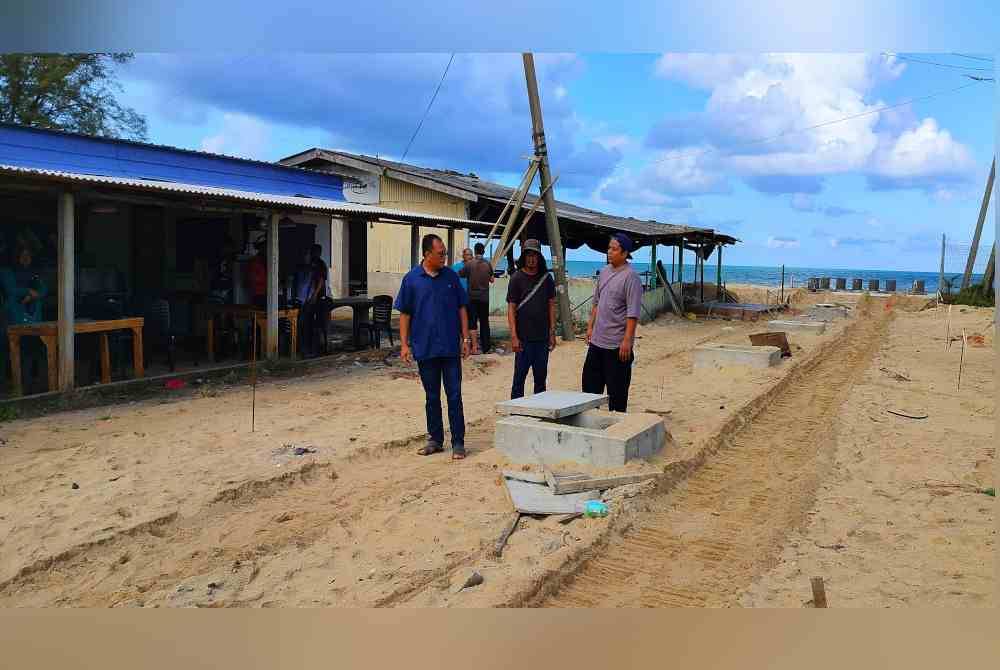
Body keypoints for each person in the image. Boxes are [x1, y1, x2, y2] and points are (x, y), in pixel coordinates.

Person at [395, 233, 471, 460]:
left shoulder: (451, 276)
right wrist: (404, 345)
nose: (445, 258)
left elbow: (462, 308)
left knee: (455, 396)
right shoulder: (411, 279)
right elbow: (405, 314)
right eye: (441, 254)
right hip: (425, 348)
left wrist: (465, 339)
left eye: (445, 253)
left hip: (449, 348)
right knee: (431, 397)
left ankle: (458, 442)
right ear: (427, 254)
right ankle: (435, 440)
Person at [582, 233, 643, 412]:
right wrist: (590, 327)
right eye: (609, 248)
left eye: (614, 249)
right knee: (589, 390)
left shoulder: (631, 277)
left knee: (617, 395)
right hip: (597, 343)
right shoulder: (604, 272)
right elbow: (596, 303)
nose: (610, 252)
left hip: (616, 346)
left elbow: (633, 313)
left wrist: (627, 341)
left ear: (624, 253)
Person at [506, 239, 556, 399]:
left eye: (534, 255)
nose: (531, 258)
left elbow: (551, 306)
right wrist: (514, 336)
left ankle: (539, 413)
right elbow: (511, 308)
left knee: (540, 381)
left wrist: (552, 332)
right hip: (523, 340)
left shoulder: (547, 279)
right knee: (518, 380)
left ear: (539, 257)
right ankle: (515, 414)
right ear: (524, 257)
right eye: (528, 255)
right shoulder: (516, 278)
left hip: (542, 339)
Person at [0, 243, 48, 393]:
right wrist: (29, 291)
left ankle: (31, 386)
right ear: (16, 257)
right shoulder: (6, 271)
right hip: (13, 317)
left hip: (33, 318)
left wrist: (35, 295)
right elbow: (11, 290)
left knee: (33, 350)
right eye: (23, 256)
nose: (26, 259)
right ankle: (12, 386)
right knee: (11, 351)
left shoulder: (34, 273)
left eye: (29, 256)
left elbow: (44, 288)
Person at [458, 242, 494, 354]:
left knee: (472, 323)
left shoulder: (469, 264)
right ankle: (486, 348)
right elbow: (492, 279)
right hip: (484, 298)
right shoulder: (488, 264)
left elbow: (460, 274)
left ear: (475, 251)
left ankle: (474, 348)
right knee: (484, 322)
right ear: (483, 251)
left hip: (471, 298)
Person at [246, 235, 267, 309]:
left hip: (268, 294)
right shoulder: (254, 262)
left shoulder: (269, 261)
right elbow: (252, 280)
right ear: (260, 248)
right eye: (264, 246)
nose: (266, 249)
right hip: (258, 296)